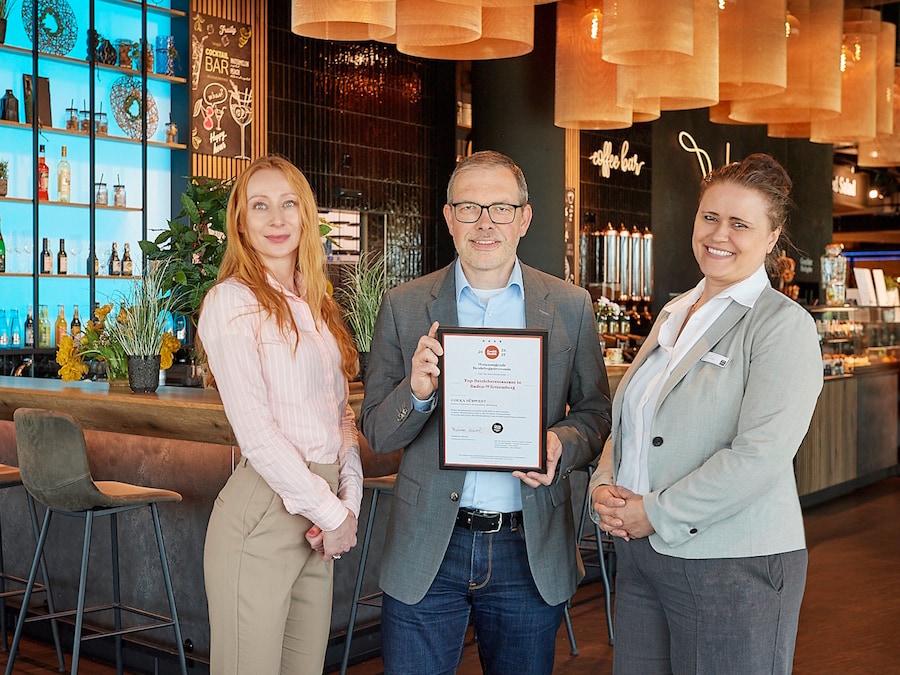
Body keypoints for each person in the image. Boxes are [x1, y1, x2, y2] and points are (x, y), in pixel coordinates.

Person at [360, 150, 611, 674]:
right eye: (470, 208)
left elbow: (594, 413)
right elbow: (378, 433)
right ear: (449, 217)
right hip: (429, 543)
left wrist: (562, 443)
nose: (485, 223)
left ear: (524, 217)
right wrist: (418, 390)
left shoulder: (569, 306)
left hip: (528, 545)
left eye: (500, 208)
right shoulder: (405, 306)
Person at [590, 153, 824, 674]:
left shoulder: (781, 325)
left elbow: (759, 456)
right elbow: (634, 417)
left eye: (741, 223)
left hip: (732, 564)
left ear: (771, 236)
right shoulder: (675, 311)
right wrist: (604, 483)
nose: (719, 234)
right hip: (642, 556)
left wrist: (655, 512)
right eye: (709, 217)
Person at [198, 155, 362, 674]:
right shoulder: (231, 302)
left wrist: (347, 504)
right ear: (240, 222)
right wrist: (333, 514)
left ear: (306, 217)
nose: (276, 219)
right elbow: (258, 435)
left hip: (318, 517)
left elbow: (342, 421)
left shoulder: (317, 306)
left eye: (289, 204)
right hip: (265, 513)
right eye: (260, 206)